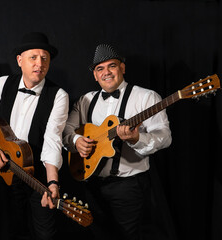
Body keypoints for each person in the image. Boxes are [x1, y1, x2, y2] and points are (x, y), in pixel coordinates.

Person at [63, 43, 172, 240]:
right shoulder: (85, 100)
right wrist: (77, 140)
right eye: (100, 69)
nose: (106, 72)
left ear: (122, 67)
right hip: (91, 182)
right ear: (95, 75)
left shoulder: (146, 97)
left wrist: (137, 138)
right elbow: (66, 131)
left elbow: (165, 138)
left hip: (129, 186)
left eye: (111, 66)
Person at [0, 32, 69, 240]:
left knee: (45, 234)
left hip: (37, 176)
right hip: (3, 172)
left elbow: (53, 139)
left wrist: (53, 183)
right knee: (8, 231)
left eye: (44, 58)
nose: (39, 63)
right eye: (33, 57)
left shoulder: (59, 95)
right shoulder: (3, 84)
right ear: (19, 61)